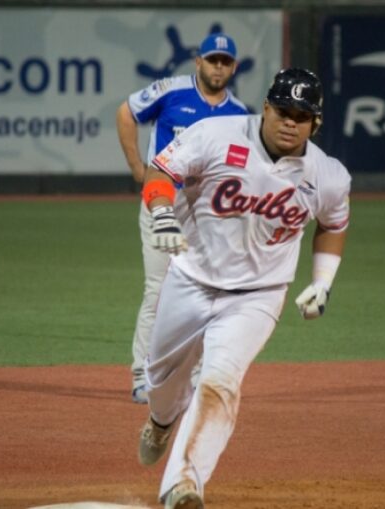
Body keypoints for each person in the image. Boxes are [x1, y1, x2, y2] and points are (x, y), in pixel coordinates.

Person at [136, 68, 351, 509]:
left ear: (316, 123)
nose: (291, 122)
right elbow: (161, 171)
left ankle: (183, 484)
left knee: (220, 382)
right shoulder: (215, 134)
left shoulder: (328, 175)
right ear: (266, 108)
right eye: (284, 111)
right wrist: (162, 212)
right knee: (162, 382)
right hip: (191, 279)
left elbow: (332, 224)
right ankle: (161, 421)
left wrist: (323, 283)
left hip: (258, 296)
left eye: (303, 116)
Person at [116, 33, 249, 404]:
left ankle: (192, 377)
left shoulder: (239, 113)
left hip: (206, 215)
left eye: (224, 61)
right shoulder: (171, 91)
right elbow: (126, 112)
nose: (218, 67)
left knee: (206, 294)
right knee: (158, 291)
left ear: (233, 67)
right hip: (162, 203)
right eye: (212, 60)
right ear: (198, 62)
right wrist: (137, 168)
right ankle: (143, 374)